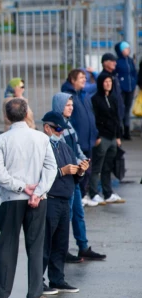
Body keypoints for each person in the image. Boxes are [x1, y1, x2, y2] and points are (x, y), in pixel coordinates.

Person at [0, 98, 57, 298]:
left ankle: (2, 292)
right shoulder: (41, 138)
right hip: (38, 198)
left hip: (12, 198)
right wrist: (38, 191)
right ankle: (35, 292)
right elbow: (50, 168)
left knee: (7, 245)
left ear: (6, 116)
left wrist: (19, 186)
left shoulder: (2, 140)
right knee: (36, 246)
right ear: (27, 112)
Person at [52, 93, 106, 262]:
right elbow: (64, 153)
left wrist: (83, 160)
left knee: (78, 213)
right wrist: (77, 162)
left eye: (71, 105)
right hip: (66, 177)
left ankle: (83, 247)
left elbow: (76, 149)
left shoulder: (68, 125)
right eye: (67, 105)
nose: (71, 108)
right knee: (65, 217)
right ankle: (62, 251)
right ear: (59, 106)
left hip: (75, 176)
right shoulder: (56, 127)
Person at [40, 111, 90, 296]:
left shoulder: (65, 147)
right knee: (45, 244)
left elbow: (73, 178)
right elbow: (39, 175)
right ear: (47, 127)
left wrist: (80, 171)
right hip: (50, 200)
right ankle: (39, 281)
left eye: (62, 129)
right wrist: (62, 171)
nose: (60, 132)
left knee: (61, 243)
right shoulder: (42, 146)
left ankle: (57, 279)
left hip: (64, 200)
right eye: (57, 128)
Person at [62, 69, 98, 203]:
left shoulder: (84, 95)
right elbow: (68, 120)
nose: (84, 80)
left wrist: (95, 134)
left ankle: (83, 195)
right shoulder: (67, 96)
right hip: (77, 141)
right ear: (73, 80)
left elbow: (90, 116)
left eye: (85, 78)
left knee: (87, 168)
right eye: (81, 78)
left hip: (88, 140)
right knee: (78, 169)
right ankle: (79, 197)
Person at [90, 74, 126, 204]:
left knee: (108, 167)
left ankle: (107, 193)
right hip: (102, 137)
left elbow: (117, 119)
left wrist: (118, 136)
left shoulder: (113, 98)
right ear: (101, 83)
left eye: (110, 81)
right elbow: (94, 119)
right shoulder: (95, 99)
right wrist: (97, 136)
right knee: (97, 166)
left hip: (112, 138)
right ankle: (93, 193)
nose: (108, 84)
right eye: (105, 81)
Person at [115, 41, 137, 140]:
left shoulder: (130, 60)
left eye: (128, 48)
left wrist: (133, 82)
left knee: (127, 109)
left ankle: (127, 131)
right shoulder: (118, 61)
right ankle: (120, 131)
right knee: (121, 109)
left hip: (130, 88)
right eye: (125, 48)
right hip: (121, 88)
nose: (128, 50)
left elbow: (133, 73)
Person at [98, 53, 125, 133]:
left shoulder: (114, 75)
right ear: (105, 62)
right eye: (112, 61)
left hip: (117, 112)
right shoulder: (103, 77)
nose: (115, 63)